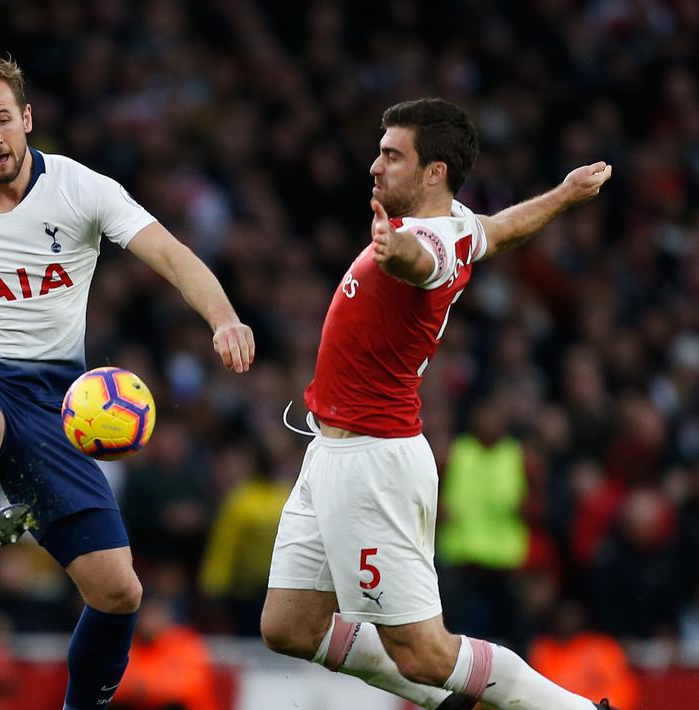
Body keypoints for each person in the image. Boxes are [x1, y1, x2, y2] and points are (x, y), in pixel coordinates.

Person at [0, 57, 254, 710]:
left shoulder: (80, 190)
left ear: (27, 119)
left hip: (55, 403)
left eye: (3, 120)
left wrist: (222, 318)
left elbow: (170, 254)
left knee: (118, 591)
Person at [258, 97, 615, 710]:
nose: (375, 167)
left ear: (434, 173)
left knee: (423, 653)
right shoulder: (461, 226)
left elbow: (424, 264)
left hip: (375, 462)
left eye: (392, 155)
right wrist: (563, 195)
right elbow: (501, 230)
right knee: (288, 627)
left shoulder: (427, 239)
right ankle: (448, 701)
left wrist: (397, 254)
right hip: (331, 451)